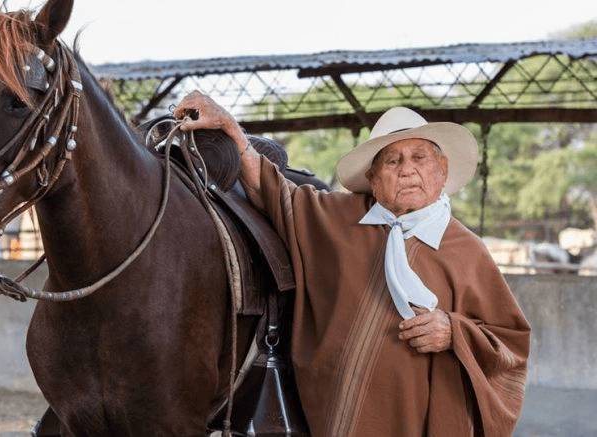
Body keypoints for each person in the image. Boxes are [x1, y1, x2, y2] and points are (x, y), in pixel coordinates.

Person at [174, 91, 531, 437]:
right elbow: (272, 189)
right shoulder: (337, 218)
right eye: (393, 161)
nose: (407, 171)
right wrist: (231, 129)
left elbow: (510, 342)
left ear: (441, 171)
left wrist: (454, 331)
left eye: (419, 158)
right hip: (335, 417)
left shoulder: (466, 250)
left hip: (419, 420)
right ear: (373, 179)